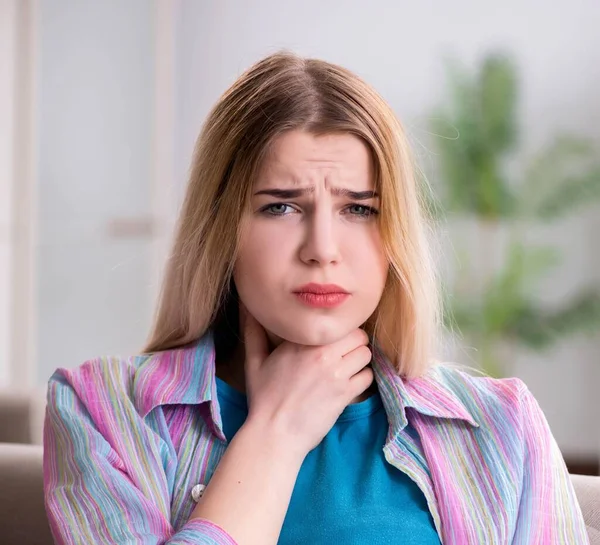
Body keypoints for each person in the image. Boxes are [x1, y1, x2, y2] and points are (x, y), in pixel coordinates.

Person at [42, 51, 588, 545]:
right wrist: (275, 434)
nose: (323, 250)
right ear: (220, 228)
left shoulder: (500, 423)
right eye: (281, 206)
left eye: (359, 209)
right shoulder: (104, 410)